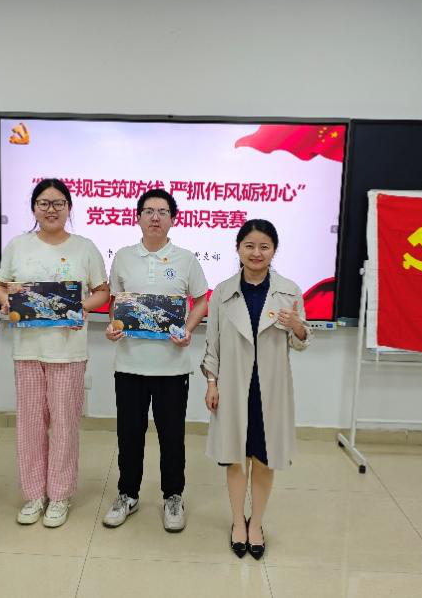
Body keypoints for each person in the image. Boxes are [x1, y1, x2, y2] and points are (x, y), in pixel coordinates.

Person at [0, 178, 108, 528]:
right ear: (34, 208)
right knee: (30, 424)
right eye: (44, 203)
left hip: (69, 351)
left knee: (64, 425)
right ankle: (33, 495)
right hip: (28, 349)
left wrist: (78, 307)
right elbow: (1, 285)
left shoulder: (84, 248)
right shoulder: (18, 246)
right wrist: (8, 303)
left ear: (69, 208)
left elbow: (102, 292)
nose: (51, 209)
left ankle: (59, 495)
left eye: (59, 203)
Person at [201, 219, 310, 560]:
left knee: (264, 458)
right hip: (233, 387)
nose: (256, 253)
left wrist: (298, 327)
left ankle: (257, 524)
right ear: (238, 249)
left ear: (274, 250)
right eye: (249, 246)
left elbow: (301, 342)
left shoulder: (289, 291)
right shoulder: (222, 292)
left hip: (270, 390)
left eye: (264, 246)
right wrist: (211, 383)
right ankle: (238, 522)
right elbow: (213, 344)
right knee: (235, 457)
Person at [103, 188, 208, 532]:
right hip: (129, 364)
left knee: (172, 436)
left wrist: (188, 329)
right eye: (148, 211)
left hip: (172, 367)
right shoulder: (123, 257)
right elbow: (116, 302)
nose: (155, 217)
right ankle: (127, 494)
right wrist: (113, 326)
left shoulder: (186, 259)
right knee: (129, 434)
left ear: (173, 219)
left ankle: (173, 496)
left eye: (163, 212)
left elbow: (201, 300)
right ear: (138, 217)